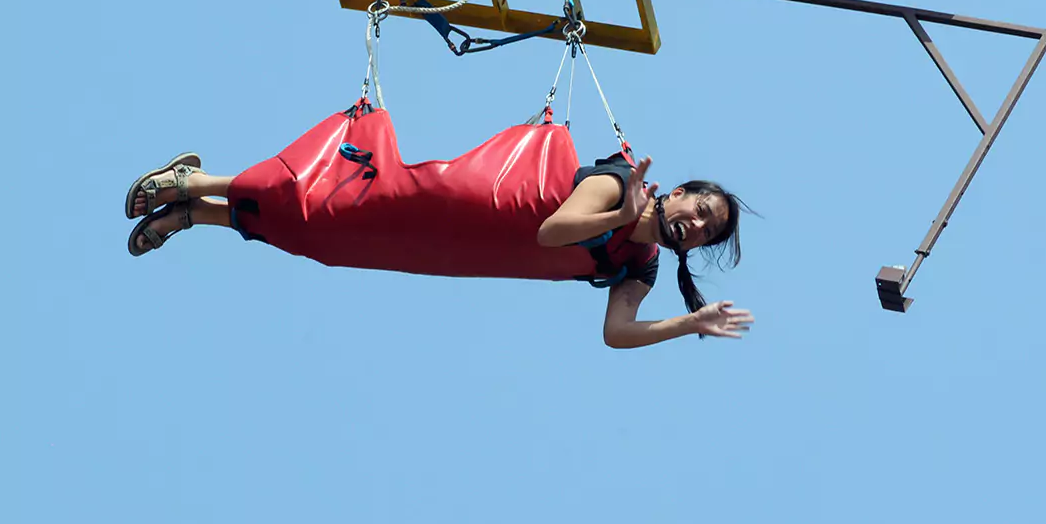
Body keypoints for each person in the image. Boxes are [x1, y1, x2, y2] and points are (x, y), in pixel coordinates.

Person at [124, 140, 755, 350]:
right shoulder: (618, 184)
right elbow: (552, 232)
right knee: (327, 198)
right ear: (673, 194)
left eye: (707, 230)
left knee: (325, 238)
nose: (696, 225)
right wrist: (622, 207)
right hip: (448, 201)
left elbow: (617, 334)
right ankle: (196, 180)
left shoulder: (638, 266)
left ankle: (196, 216)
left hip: (450, 251)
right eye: (698, 209)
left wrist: (688, 323)